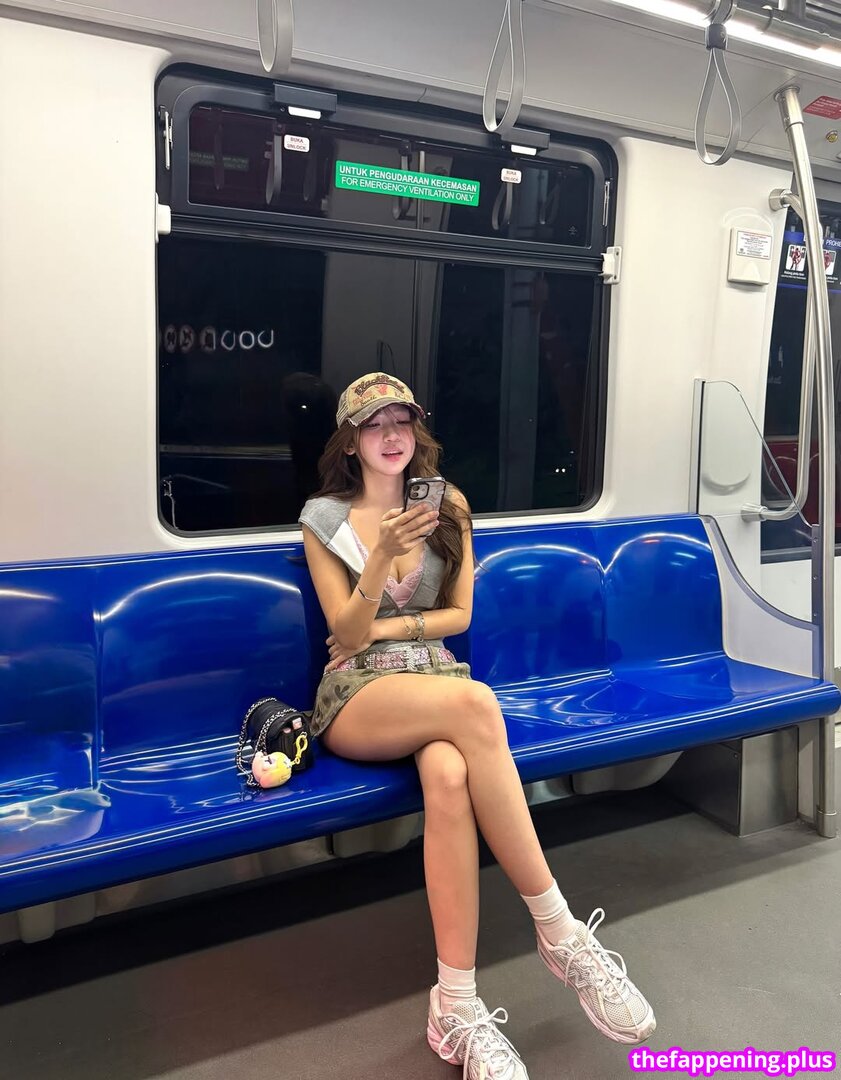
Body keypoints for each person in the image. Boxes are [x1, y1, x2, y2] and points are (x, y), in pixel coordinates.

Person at [299, 372, 655, 1079]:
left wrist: (389, 626)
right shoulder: (324, 518)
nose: (392, 435)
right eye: (374, 425)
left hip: (433, 677)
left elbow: (458, 617)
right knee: (478, 704)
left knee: (448, 773)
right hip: (357, 695)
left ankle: (454, 1004)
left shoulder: (450, 505)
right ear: (350, 442)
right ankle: (559, 931)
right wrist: (379, 554)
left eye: (402, 421)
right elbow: (344, 633)